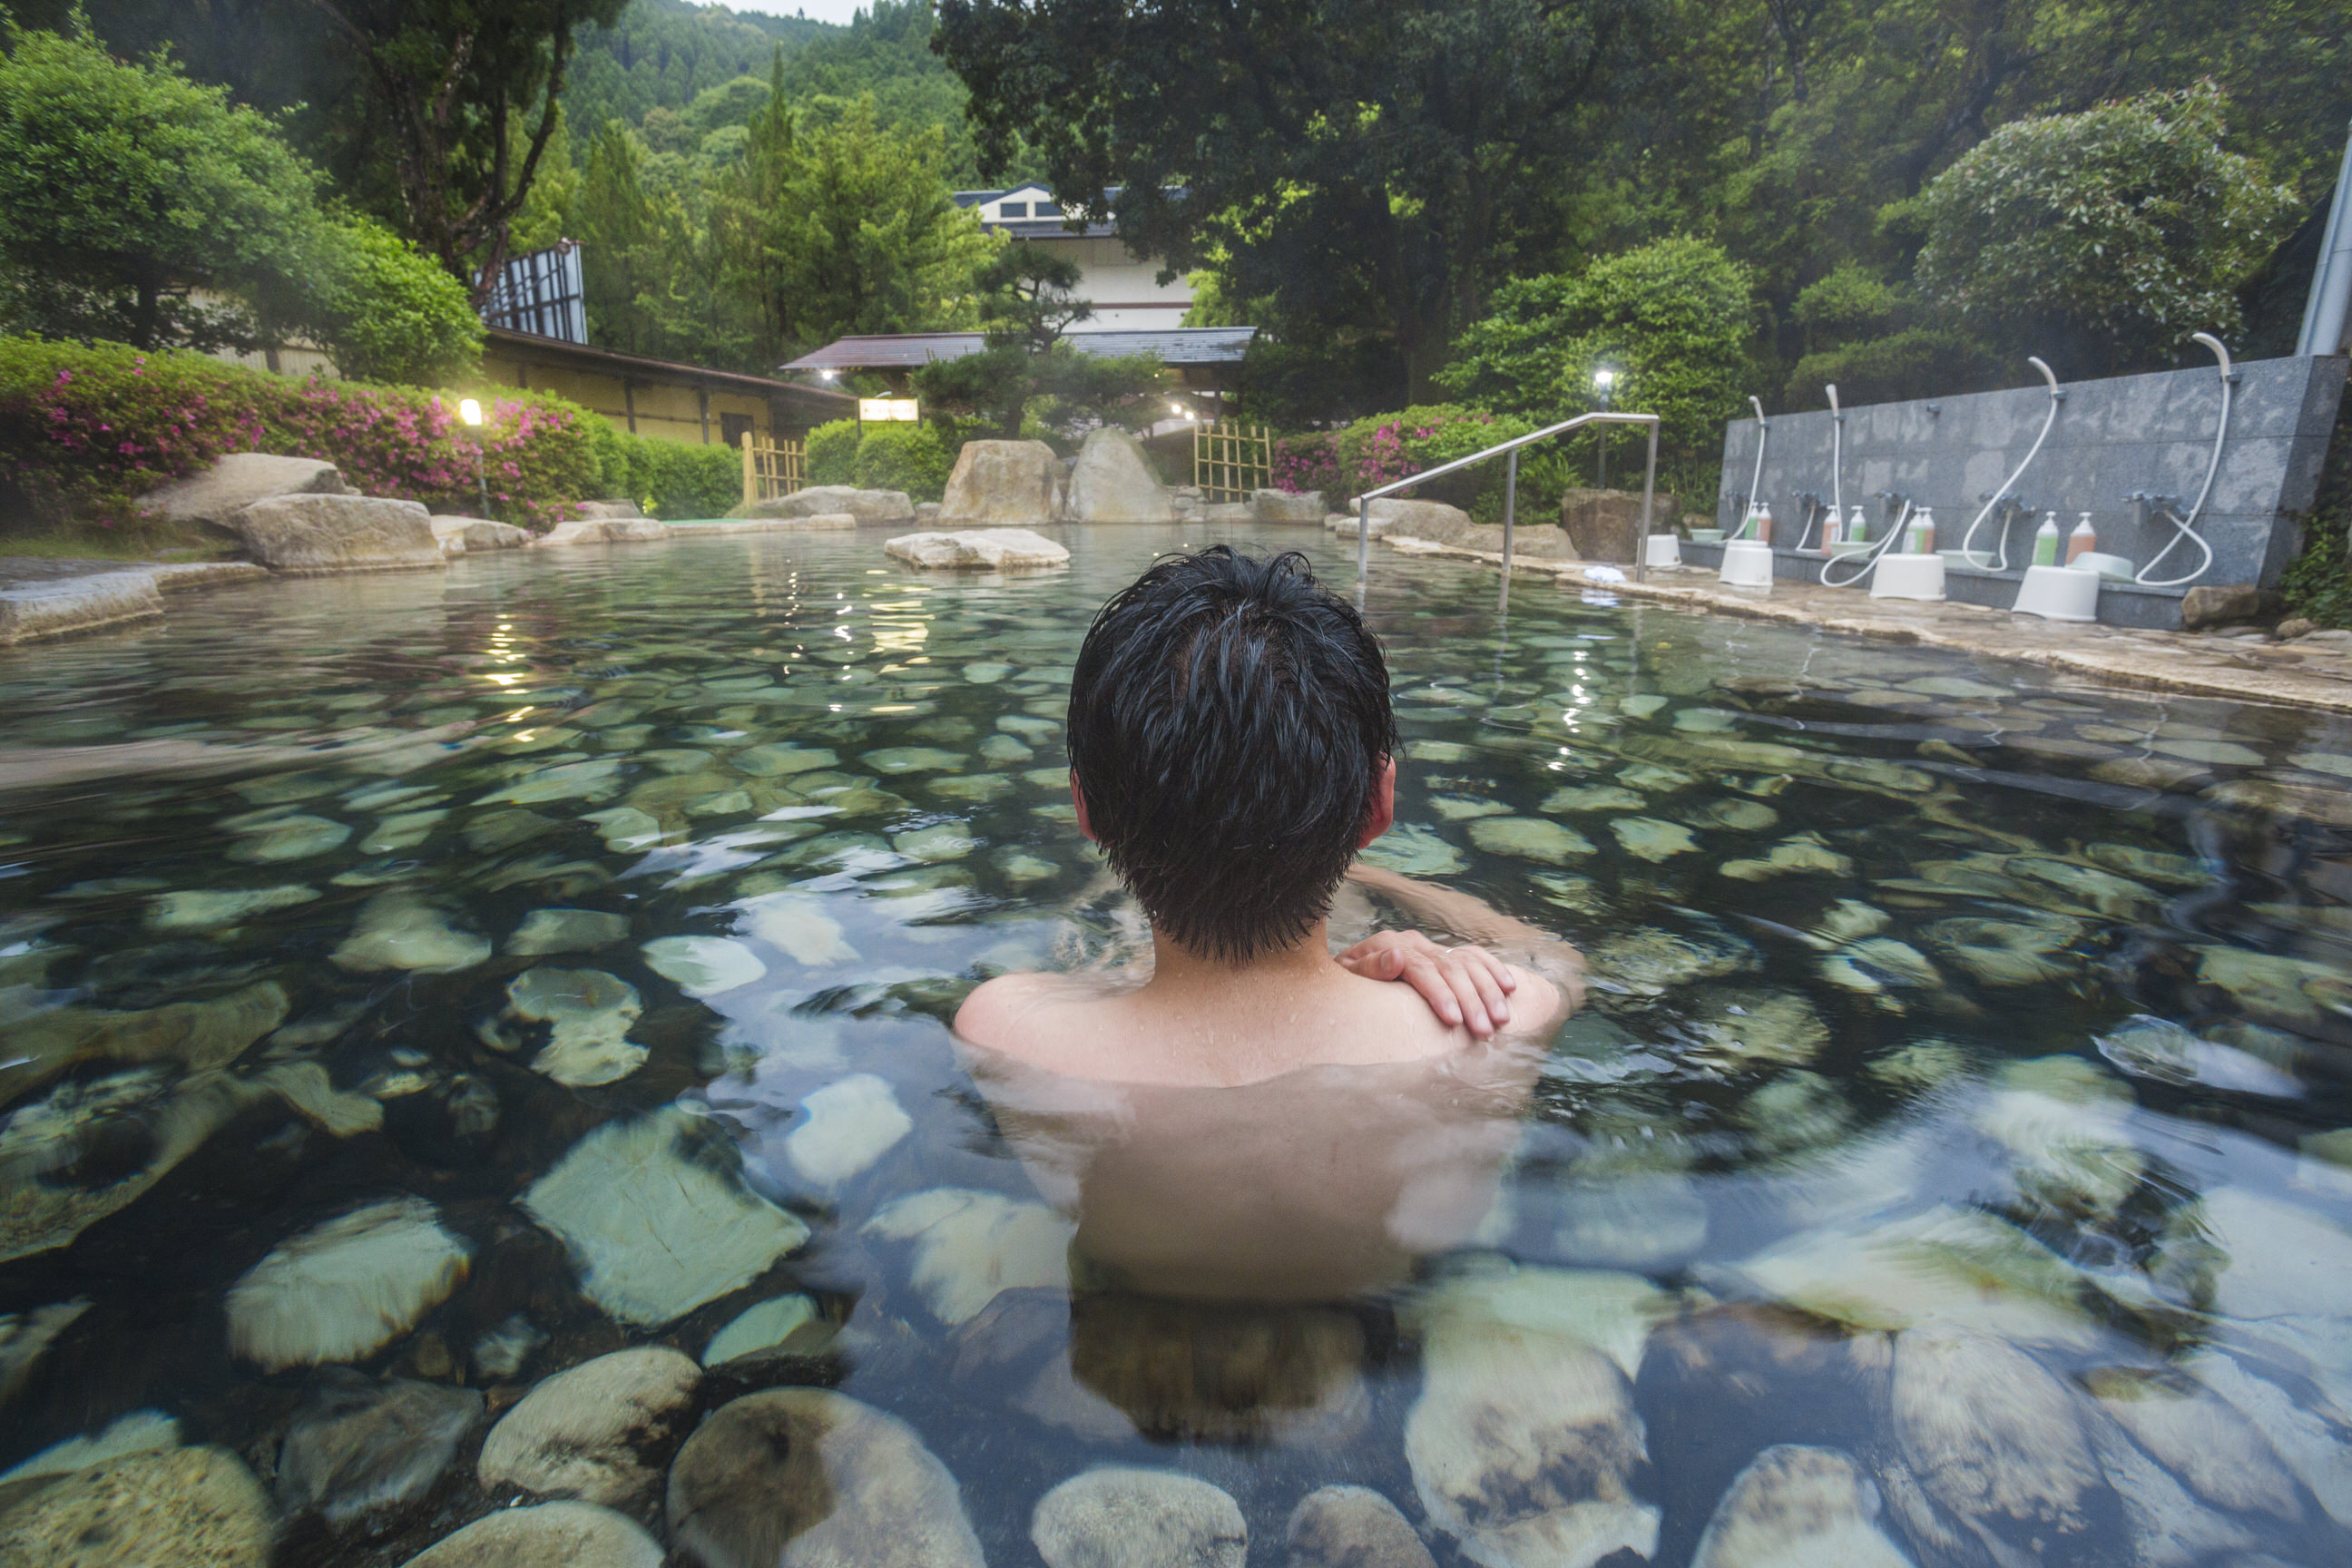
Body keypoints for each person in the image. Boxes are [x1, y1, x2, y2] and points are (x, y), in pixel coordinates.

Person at [955, 544, 1584, 1086]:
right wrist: (1400, 939)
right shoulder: (1504, 1021)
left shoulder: (1005, 1034)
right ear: (1379, 805)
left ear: (1085, 808)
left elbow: (1095, 995)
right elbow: (1561, 961)